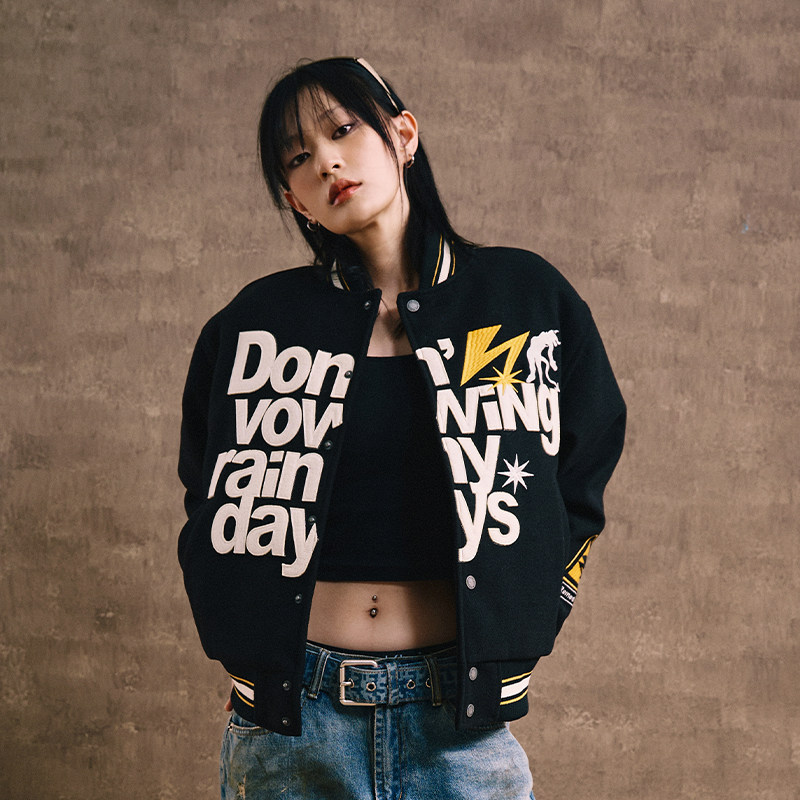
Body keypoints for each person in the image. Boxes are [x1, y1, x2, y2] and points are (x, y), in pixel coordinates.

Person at [177, 57, 626, 800]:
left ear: (404, 136)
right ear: (295, 200)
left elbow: (584, 470)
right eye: (297, 158)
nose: (326, 162)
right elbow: (208, 486)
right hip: (292, 728)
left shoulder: (524, 299)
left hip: (459, 725)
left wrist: (533, 612)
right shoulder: (257, 323)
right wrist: (248, 642)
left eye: (342, 130)